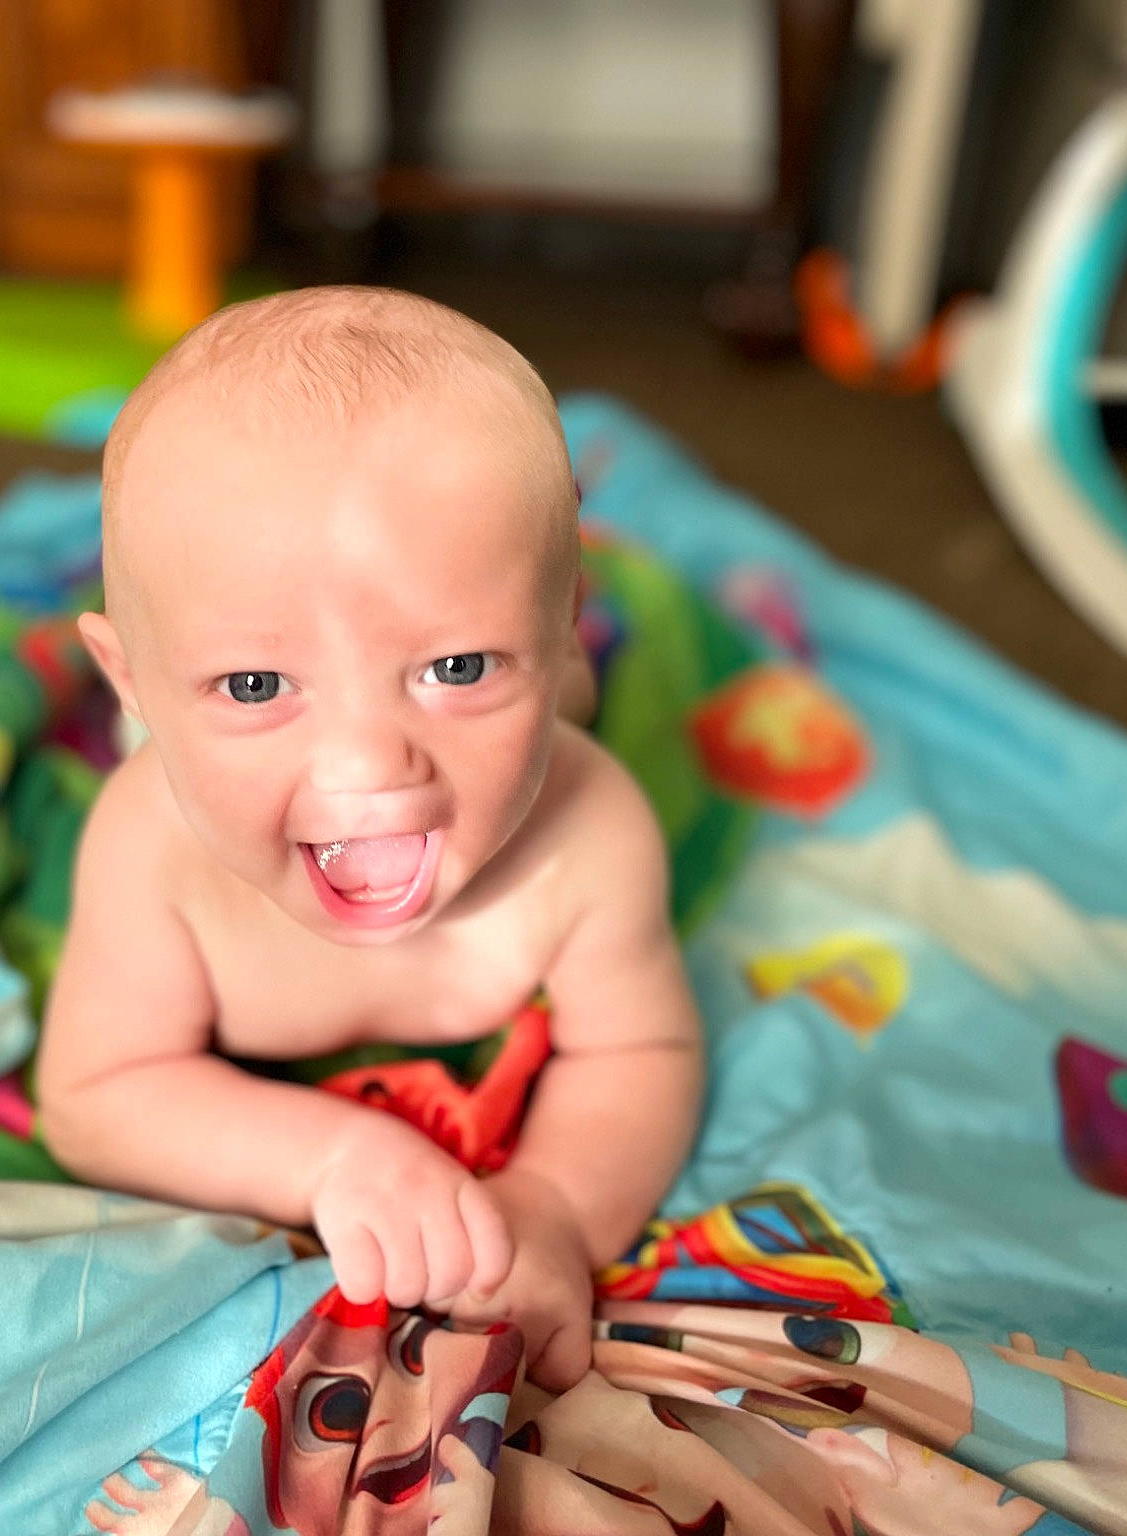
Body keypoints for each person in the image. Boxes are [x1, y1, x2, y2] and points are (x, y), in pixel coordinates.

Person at [36, 286, 702, 1389]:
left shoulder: (590, 834)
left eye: (457, 667)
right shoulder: (151, 851)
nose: (366, 766)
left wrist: (550, 1205)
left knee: (559, 710)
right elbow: (97, 1095)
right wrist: (329, 1158)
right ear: (131, 676)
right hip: (177, 746)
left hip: (545, 681)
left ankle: (530, 665)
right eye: (256, 685)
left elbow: (639, 1052)